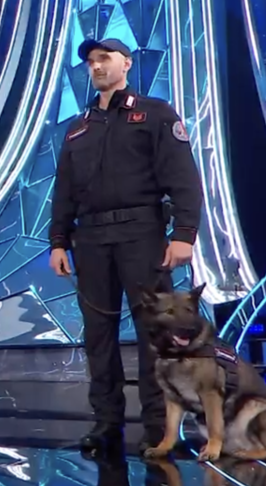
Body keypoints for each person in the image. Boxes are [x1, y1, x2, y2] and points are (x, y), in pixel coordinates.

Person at [48, 38, 203, 453]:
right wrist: (58, 241)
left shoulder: (154, 113)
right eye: (91, 61)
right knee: (98, 335)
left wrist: (184, 234)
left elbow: (184, 177)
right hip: (91, 240)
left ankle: (158, 427)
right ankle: (106, 423)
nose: (96, 66)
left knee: (155, 332)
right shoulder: (77, 128)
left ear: (127, 64)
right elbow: (64, 192)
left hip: (142, 233)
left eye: (105, 58)